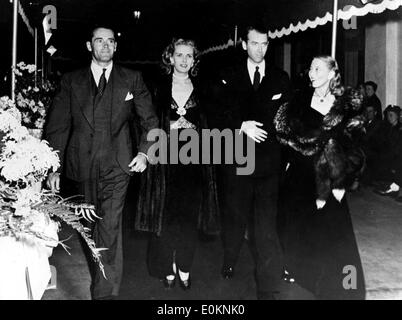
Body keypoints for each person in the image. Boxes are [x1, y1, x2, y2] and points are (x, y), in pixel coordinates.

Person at [44, 26, 158, 300]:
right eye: (99, 41)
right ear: (89, 46)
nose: (105, 46)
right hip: (81, 166)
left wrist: (144, 153)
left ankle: (103, 292)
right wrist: (54, 167)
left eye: (110, 41)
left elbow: (151, 121)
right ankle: (108, 280)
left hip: (119, 167)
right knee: (93, 226)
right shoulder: (72, 81)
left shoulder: (132, 78)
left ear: (116, 47)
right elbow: (57, 127)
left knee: (108, 224)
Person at [275, 55, 366, 299]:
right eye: (311, 68)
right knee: (297, 226)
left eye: (317, 68)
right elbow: (282, 132)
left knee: (335, 233)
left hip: (330, 177)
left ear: (331, 73)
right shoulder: (299, 100)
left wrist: (343, 178)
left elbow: (354, 147)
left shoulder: (343, 105)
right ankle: (297, 269)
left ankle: (345, 286)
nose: (311, 73)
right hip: (301, 174)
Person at [135, 38, 220, 290]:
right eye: (179, 55)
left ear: (194, 60)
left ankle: (184, 266)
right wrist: (168, 127)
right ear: (170, 58)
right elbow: (144, 120)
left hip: (194, 162)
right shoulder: (157, 87)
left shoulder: (203, 88)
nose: (184, 60)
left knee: (188, 218)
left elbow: (212, 122)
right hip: (163, 161)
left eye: (189, 56)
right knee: (165, 217)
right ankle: (165, 268)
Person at [215, 24, 291, 300]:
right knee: (235, 215)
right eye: (255, 43)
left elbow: (286, 120)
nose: (260, 48)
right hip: (238, 159)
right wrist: (240, 125)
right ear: (244, 45)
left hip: (270, 163)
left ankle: (268, 279)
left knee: (266, 222)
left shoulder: (281, 78)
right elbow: (217, 114)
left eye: (265, 44)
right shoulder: (228, 76)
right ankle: (230, 259)